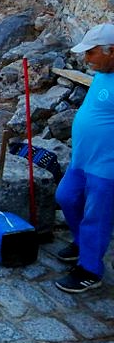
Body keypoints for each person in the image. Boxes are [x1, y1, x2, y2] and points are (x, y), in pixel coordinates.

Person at [54, 23, 114, 293]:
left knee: (96, 216)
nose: (85, 59)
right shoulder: (103, 72)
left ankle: (90, 269)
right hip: (82, 158)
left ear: (110, 51)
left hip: (106, 165)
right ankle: (82, 242)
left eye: (90, 53)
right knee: (66, 197)